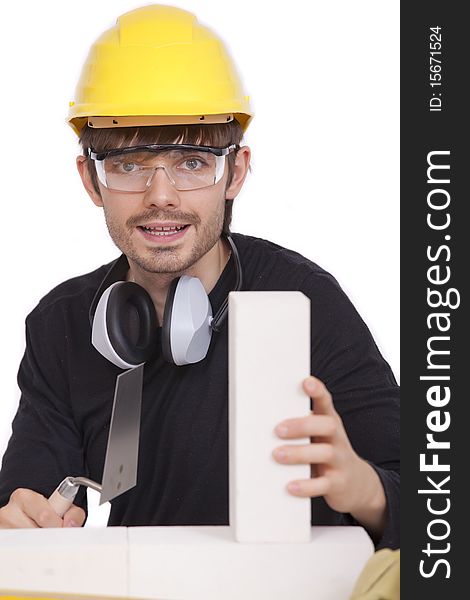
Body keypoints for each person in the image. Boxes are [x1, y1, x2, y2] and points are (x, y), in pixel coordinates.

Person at [0, 5, 399, 549]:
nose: (160, 196)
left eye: (192, 161)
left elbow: (438, 511)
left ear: (234, 172)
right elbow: (25, 505)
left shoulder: (304, 301)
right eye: (128, 164)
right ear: (91, 182)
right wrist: (19, 523)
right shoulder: (60, 324)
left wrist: (366, 491)